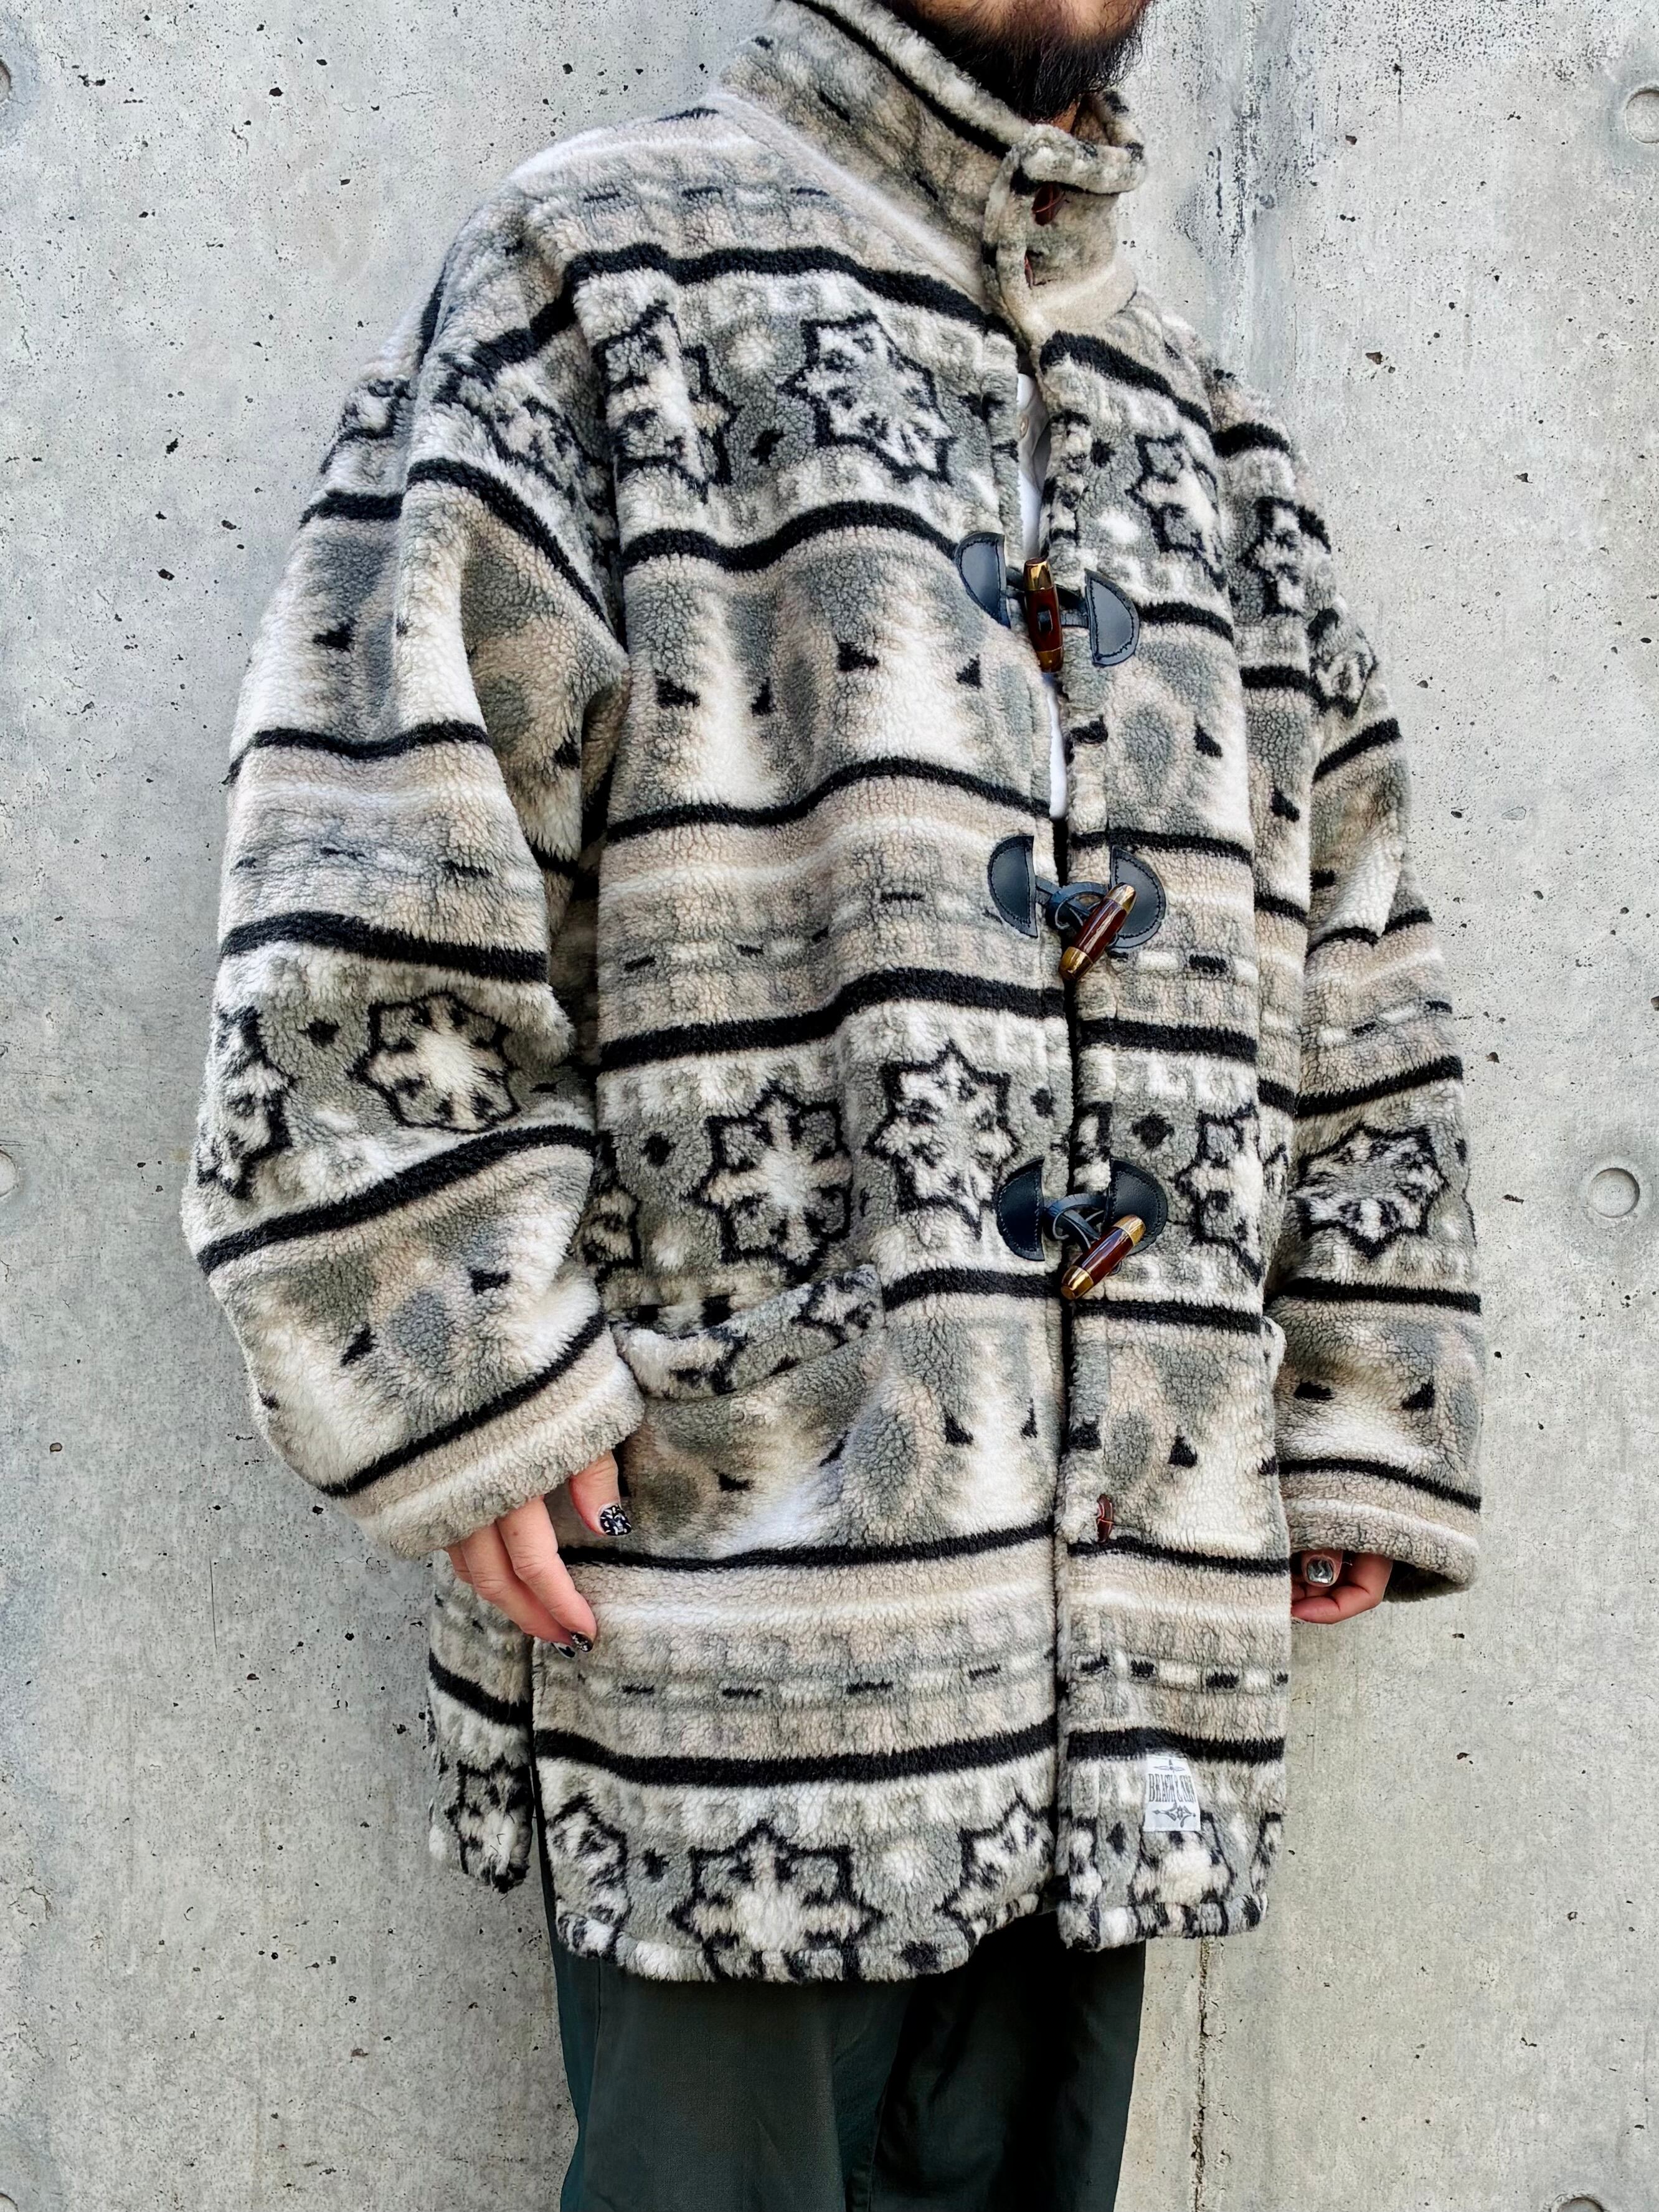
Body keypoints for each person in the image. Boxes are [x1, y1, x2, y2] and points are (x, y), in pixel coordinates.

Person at [181, 0, 1486, 2202]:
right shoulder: (603, 283)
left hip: (1123, 1641)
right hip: (730, 1608)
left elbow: (1349, 902)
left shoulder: (1197, 422)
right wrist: (459, 1348)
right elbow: (376, 812)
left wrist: (1361, 1385)